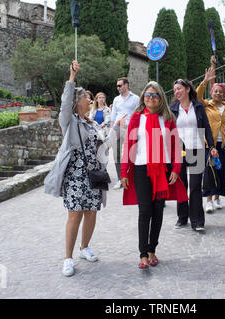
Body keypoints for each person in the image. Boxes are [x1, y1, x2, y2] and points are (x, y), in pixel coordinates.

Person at [44, 61, 126, 277]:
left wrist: (117, 127)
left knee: (91, 212)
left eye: (90, 98)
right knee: (75, 214)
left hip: (93, 174)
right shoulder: (69, 120)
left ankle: (85, 248)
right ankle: (68, 258)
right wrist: (71, 78)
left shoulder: (91, 124)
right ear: (76, 101)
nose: (90, 100)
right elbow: (63, 104)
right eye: (85, 98)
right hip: (75, 174)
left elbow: (105, 144)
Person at [120, 81, 188, 269]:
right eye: (148, 95)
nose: (151, 98)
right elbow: (128, 145)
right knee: (145, 211)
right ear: (143, 97)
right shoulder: (136, 118)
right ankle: (142, 254)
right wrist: (124, 172)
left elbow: (176, 146)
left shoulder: (168, 118)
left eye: (155, 95)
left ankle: (152, 250)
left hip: (163, 169)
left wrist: (175, 169)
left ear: (160, 98)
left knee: (158, 211)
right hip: (142, 169)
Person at [170, 79, 217, 232]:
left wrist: (211, 146)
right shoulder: (173, 108)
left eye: (179, 89)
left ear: (188, 89)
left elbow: (207, 127)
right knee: (181, 184)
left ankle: (197, 220)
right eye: (175, 90)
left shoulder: (197, 106)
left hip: (197, 149)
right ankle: (182, 217)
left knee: (195, 185)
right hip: (179, 151)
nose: (176, 92)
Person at [197, 64, 225, 213]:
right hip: (209, 144)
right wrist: (205, 82)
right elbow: (197, 96)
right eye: (215, 91)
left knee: (221, 171)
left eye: (221, 91)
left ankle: (218, 198)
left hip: (224, 144)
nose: (218, 93)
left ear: (224, 94)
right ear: (211, 92)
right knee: (209, 171)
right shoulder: (206, 105)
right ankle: (209, 200)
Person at [110, 77, 140, 190]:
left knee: (131, 154)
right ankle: (119, 179)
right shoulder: (116, 99)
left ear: (126, 85)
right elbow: (113, 115)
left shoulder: (136, 98)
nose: (118, 88)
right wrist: (111, 129)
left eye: (120, 85)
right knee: (116, 154)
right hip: (117, 127)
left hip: (130, 128)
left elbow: (139, 113)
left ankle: (131, 178)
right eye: (117, 86)